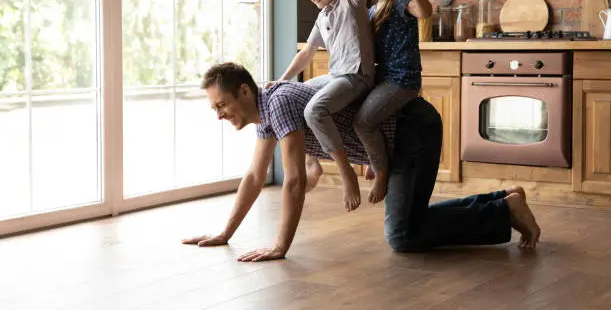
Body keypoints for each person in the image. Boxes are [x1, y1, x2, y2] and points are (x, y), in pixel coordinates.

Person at [182, 62, 541, 262]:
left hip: (411, 130)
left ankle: (504, 212)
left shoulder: (279, 102)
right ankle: (504, 203)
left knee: (402, 235)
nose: (219, 115)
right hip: (399, 137)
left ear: (245, 91)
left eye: (221, 105)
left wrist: (280, 247)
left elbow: (292, 182)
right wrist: (225, 234)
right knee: (408, 226)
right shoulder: (267, 111)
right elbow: (255, 176)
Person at [267, 0, 375, 212]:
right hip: (335, 76)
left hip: (357, 76)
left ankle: (346, 174)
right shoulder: (324, 14)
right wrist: (282, 79)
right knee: (289, 95)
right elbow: (307, 53)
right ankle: (311, 162)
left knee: (314, 109)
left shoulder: (349, 2)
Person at [352, 0, 433, 205]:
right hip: (384, 78)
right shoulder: (374, 9)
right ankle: (373, 158)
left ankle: (382, 171)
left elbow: (426, 11)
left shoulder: (401, 0)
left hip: (402, 80)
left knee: (363, 122)